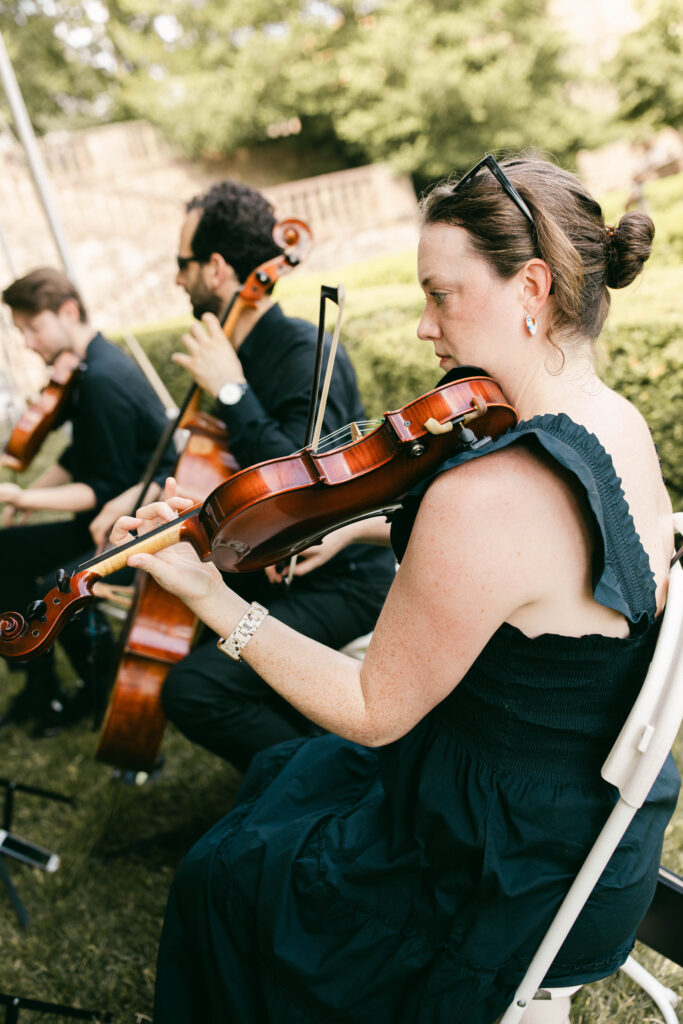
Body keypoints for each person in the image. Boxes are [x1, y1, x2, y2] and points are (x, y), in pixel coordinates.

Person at [110, 154, 679, 1024]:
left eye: (439, 294)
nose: (423, 326)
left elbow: (373, 710)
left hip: (500, 873)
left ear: (531, 286)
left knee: (226, 870)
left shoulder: (483, 497)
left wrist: (214, 601)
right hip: (586, 825)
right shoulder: (614, 423)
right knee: (283, 779)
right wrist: (356, 520)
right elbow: (546, 561)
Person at [154, 179, 396, 771]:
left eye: (182, 264)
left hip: (340, 577)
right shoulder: (237, 347)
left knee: (195, 688)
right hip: (270, 566)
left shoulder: (302, 352)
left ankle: (329, 784)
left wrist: (234, 391)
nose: (176, 279)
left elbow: (300, 489)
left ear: (215, 268)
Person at [0, 267, 175, 734]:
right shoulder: (86, 367)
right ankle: (39, 686)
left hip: (136, 518)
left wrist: (23, 492)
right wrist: (32, 497)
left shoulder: (102, 379)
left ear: (69, 312)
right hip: (106, 509)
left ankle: (100, 689)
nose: (29, 342)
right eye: (22, 331)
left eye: (33, 328)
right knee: (6, 550)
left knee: (59, 589)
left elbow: (102, 488)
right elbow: (81, 458)